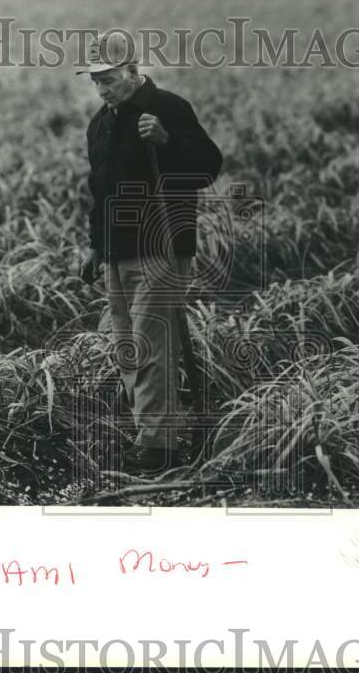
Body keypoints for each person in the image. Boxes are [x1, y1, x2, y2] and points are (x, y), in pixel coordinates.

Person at [78, 30, 223, 472]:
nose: (101, 88)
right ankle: (154, 432)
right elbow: (99, 192)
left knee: (150, 346)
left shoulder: (168, 109)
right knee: (127, 346)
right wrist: (95, 247)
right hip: (116, 251)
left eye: (108, 79)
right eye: (95, 81)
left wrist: (166, 142)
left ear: (133, 71)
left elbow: (208, 167)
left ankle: (159, 446)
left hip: (159, 246)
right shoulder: (101, 123)